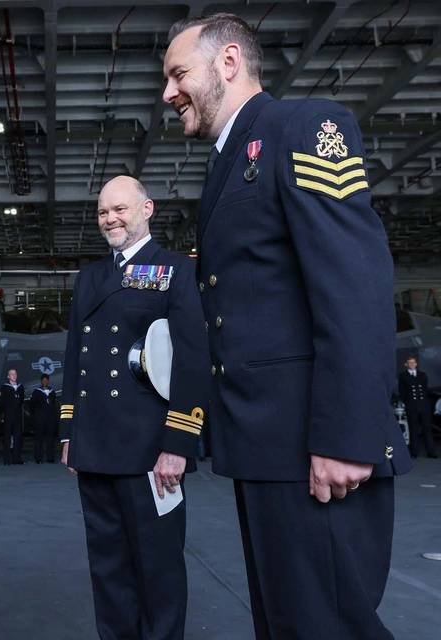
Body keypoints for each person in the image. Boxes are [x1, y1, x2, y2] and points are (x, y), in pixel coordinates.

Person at [163, 13, 412, 639]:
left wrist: (348, 436)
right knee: (286, 625)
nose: (167, 94)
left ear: (228, 63)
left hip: (314, 447)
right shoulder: (227, 163)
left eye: (177, 74)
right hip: (268, 449)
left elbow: (353, 284)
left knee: (327, 625)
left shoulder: (300, 127)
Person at [60, 175, 209, 640]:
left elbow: (192, 360)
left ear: (147, 209)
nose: (111, 219)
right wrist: (70, 435)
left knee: (159, 570)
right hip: (96, 448)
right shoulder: (89, 278)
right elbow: (74, 360)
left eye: (120, 209)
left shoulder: (174, 271)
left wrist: (179, 444)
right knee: (108, 570)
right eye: (104, 212)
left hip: (151, 451)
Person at [399, 356, 437, 458]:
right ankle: (414, 452)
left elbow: (425, 390)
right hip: (412, 405)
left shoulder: (422, 375)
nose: (412, 364)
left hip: (424, 405)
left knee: (427, 429)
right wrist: (406, 403)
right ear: (406, 364)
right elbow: (402, 392)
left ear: (416, 364)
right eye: (409, 363)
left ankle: (431, 452)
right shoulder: (403, 376)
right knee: (413, 429)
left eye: (413, 363)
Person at [0, 368, 25, 465]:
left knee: (18, 437)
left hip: (18, 416)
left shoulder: (20, 387)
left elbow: (21, 401)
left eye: (15, 374)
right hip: (8, 416)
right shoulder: (4, 388)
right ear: (8, 376)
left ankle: (16, 458)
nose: (14, 376)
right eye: (11, 374)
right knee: (7, 438)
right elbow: (1, 403)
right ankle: (7, 459)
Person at [30, 374, 59, 463]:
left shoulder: (52, 391)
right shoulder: (36, 391)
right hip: (40, 419)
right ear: (41, 381)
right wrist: (36, 415)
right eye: (44, 380)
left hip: (50, 419)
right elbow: (32, 405)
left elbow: (54, 405)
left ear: (48, 381)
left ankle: (50, 458)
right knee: (39, 438)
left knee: (50, 438)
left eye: (47, 380)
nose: (45, 382)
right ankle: (38, 458)